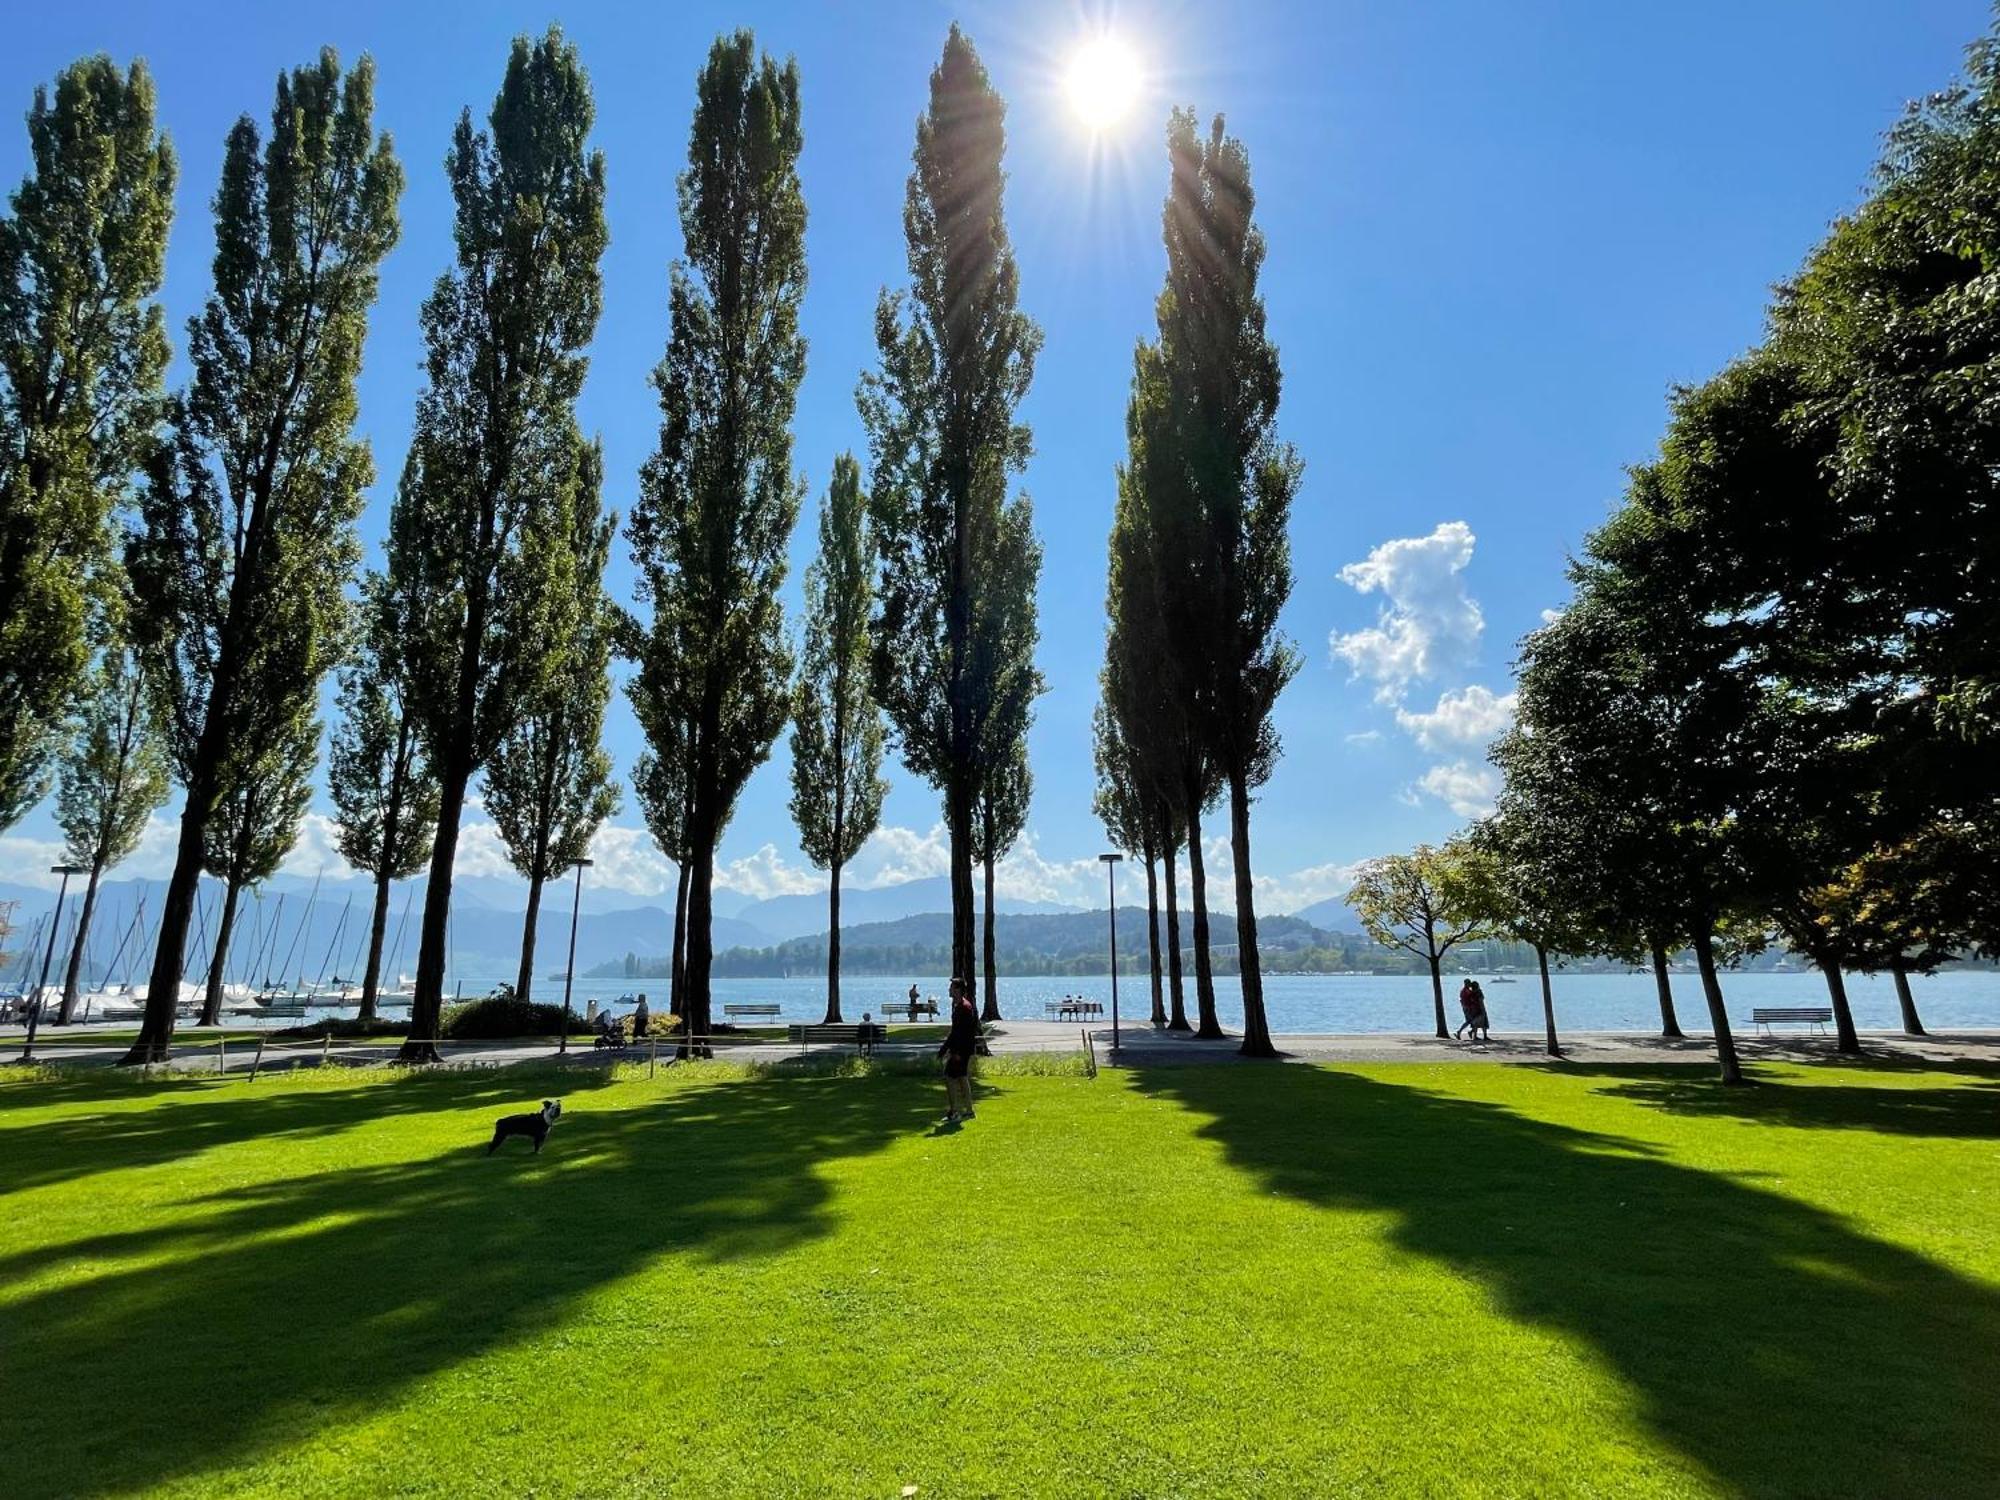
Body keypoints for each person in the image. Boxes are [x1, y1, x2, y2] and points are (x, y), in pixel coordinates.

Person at [938, 978, 979, 1121]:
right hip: (963, 1049)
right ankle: (969, 1111)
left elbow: (959, 1032)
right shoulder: (961, 1006)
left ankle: (954, 1112)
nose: (949, 990)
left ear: (958, 989)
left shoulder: (963, 1007)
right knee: (962, 1078)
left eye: (951, 987)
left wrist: (951, 1051)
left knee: (950, 1077)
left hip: (960, 1050)